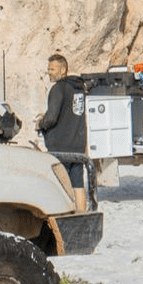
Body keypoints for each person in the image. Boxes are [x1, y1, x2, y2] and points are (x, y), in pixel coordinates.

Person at [38, 54, 88, 189]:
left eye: (52, 69)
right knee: (78, 186)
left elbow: (52, 118)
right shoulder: (79, 88)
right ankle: (81, 211)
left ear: (63, 70)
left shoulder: (58, 88)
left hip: (61, 148)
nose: (49, 72)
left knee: (61, 187)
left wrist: (41, 123)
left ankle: (66, 210)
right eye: (48, 69)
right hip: (78, 147)